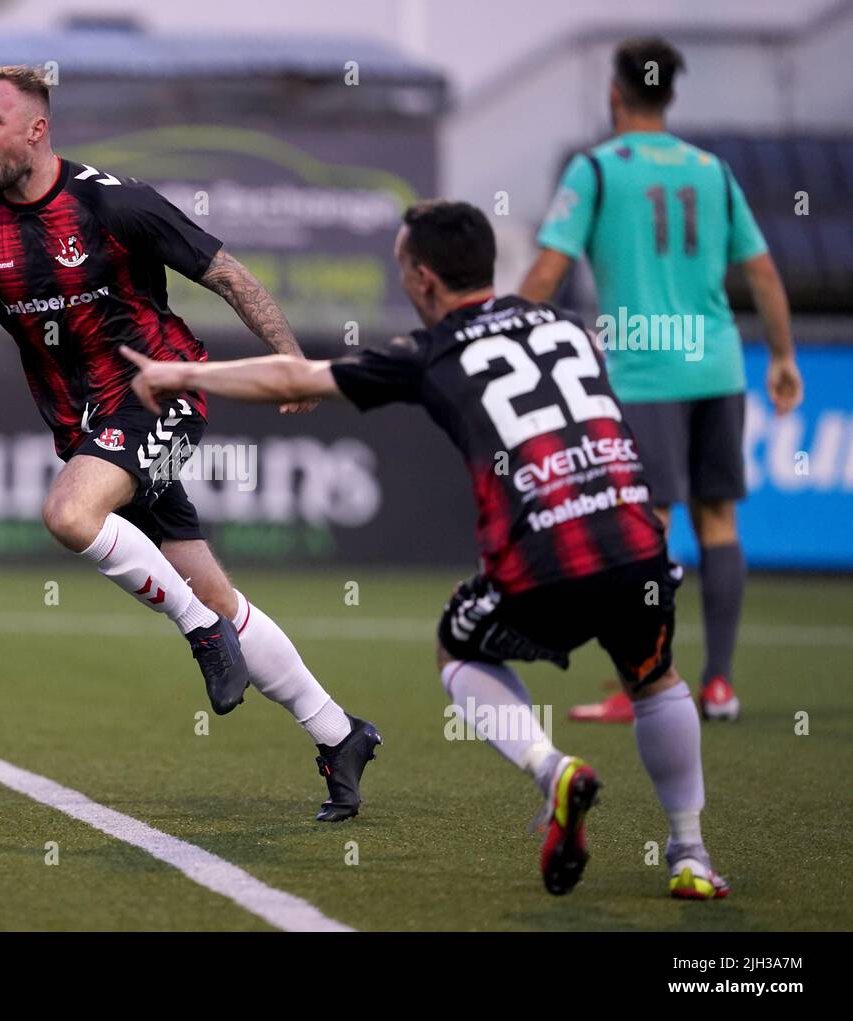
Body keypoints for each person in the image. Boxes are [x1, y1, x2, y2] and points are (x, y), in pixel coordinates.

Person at [0, 66, 381, 822]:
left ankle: (203, 635)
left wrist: (291, 365)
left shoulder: (115, 202)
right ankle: (340, 734)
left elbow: (229, 276)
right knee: (213, 589)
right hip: (85, 428)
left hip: (160, 394)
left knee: (71, 515)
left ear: (36, 129)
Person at [125, 200, 730, 899]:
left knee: (460, 648)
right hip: (636, 542)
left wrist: (186, 375)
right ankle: (689, 852)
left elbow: (298, 379)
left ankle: (551, 768)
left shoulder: (430, 350)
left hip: (547, 557)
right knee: (655, 679)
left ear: (424, 280)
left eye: (402, 268)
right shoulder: (565, 324)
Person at [520, 36, 803, 723]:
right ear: (669, 95)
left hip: (645, 373)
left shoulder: (595, 169)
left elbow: (550, 272)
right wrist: (784, 356)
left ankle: (648, 684)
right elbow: (762, 271)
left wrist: (503, 333)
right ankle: (720, 685)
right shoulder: (712, 170)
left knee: (649, 527)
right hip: (718, 365)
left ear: (615, 92)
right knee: (719, 517)